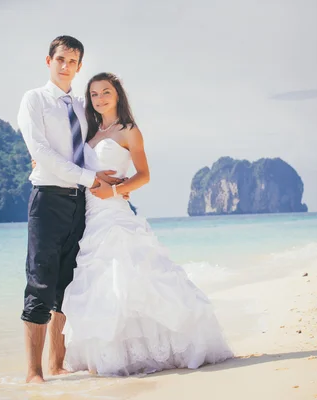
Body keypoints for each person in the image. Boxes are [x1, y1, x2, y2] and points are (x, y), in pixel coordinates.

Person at [60, 72, 234, 376]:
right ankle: (113, 353)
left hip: (115, 213)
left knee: (128, 276)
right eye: (95, 94)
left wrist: (114, 190)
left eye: (106, 93)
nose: (100, 99)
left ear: (117, 95)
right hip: (90, 215)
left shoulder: (129, 131)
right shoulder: (90, 132)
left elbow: (144, 175)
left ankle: (155, 348)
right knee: (99, 282)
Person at [17, 35, 124, 384]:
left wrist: (121, 176)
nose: (66, 66)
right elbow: (42, 152)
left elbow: (104, 129)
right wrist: (90, 177)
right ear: (48, 61)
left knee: (67, 284)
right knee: (40, 282)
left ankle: (57, 364)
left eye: (73, 61)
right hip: (47, 199)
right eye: (61, 59)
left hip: (81, 204)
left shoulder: (82, 105)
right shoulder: (33, 100)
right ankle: (33, 373)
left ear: (79, 67)